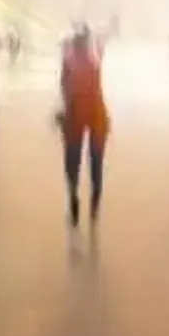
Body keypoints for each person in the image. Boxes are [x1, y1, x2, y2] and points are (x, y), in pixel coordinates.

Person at [59, 26, 109, 226]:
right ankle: (95, 205)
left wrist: (63, 114)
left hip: (75, 113)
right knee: (96, 163)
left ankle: (73, 196)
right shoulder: (96, 56)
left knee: (72, 161)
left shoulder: (69, 61)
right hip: (97, 115)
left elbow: (64, 89)